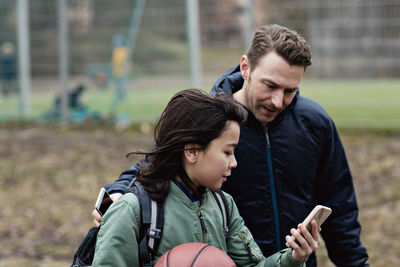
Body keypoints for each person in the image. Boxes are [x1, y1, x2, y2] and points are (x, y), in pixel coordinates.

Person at [93, 25, 369, 266]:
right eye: (270, 86)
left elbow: (340, 204)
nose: (277, 101)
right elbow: (158, 164)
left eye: (289, 91)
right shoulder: (215, 121)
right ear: (245, 67)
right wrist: (116, 195)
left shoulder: (315, 122)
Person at [92, 89, 321, 266]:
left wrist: (293, 258)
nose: (234, 163)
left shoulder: (224, 206)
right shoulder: (133, 211)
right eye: (227, 152)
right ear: (192, 151)